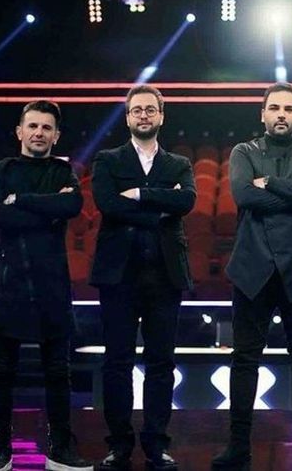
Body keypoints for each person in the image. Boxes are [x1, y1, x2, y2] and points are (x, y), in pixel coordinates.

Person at [211, 82, 292, 470]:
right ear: (263, 114)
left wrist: (269, 183)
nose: (281, 114)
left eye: (288, 109)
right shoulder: (244, 152)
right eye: (275, 108)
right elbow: (244, 196)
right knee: (244, 360)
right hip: (252, 268)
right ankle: (238, 446)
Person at [0, 100, 92, 471]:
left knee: (58, 373)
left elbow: (71, 206)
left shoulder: (63, 172)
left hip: (52, 287)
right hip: (9, 286)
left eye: (46, 128)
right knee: (2, 373)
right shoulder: (1, 170)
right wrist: (46, 212)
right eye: (33, 126)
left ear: (56, 135)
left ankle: (60, 449)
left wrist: (22, 202)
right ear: (20, 131)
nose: (39, 133)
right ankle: (0, 449)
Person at [90, 84, 196, 471]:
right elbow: (107, 204)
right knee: (117, 362)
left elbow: (186, 200)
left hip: (165, 275)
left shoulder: (179, 163)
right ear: (128, 117)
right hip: (118, 275)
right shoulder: (107, 159)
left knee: (161, 363)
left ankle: (156, 444)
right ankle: (119, 445)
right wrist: (160, 206)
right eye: (137, 110)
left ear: (161, 116)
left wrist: (138, 193)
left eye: (150, 109)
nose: (144, 115)